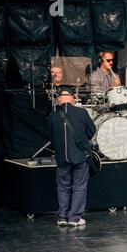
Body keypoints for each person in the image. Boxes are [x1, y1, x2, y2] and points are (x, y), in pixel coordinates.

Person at [49, 88, 96, 227]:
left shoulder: (53, 116)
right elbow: (91, 130)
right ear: (72, 99)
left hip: (62, 157)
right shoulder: (81, 112)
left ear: (59, 100)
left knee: (63, 187)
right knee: (79, 186)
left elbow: (50, 137)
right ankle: (74, 218)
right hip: (79, 156)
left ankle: (62, 217)